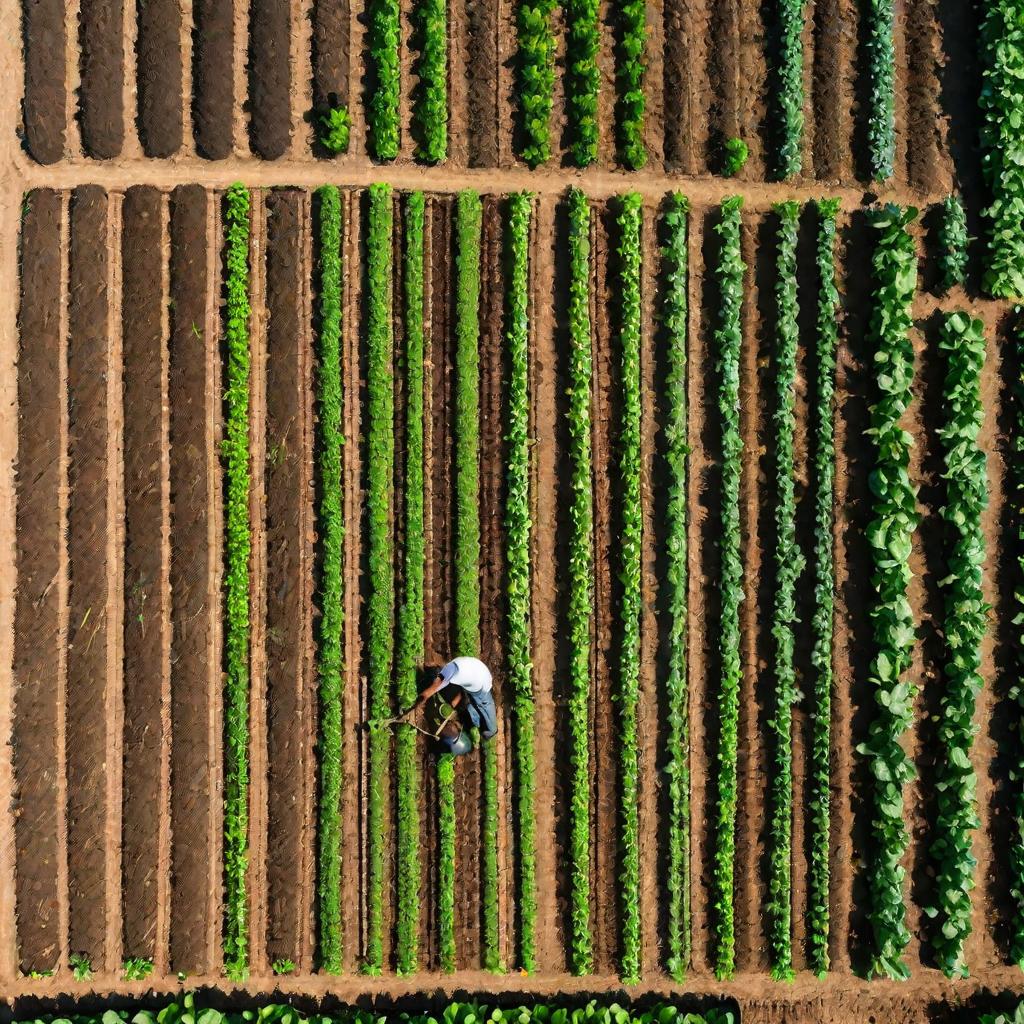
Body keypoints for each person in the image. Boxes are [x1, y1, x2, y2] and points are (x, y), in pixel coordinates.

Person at [411, 655, 498, 741]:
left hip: (482, 684)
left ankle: (489, 732)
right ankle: (473, 721)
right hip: (476, 670)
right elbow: (439, 684)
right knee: (465, 703)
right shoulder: (450, 668)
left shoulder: (452, 677)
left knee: (484, 709)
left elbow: (430, 691)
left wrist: (419, 700)